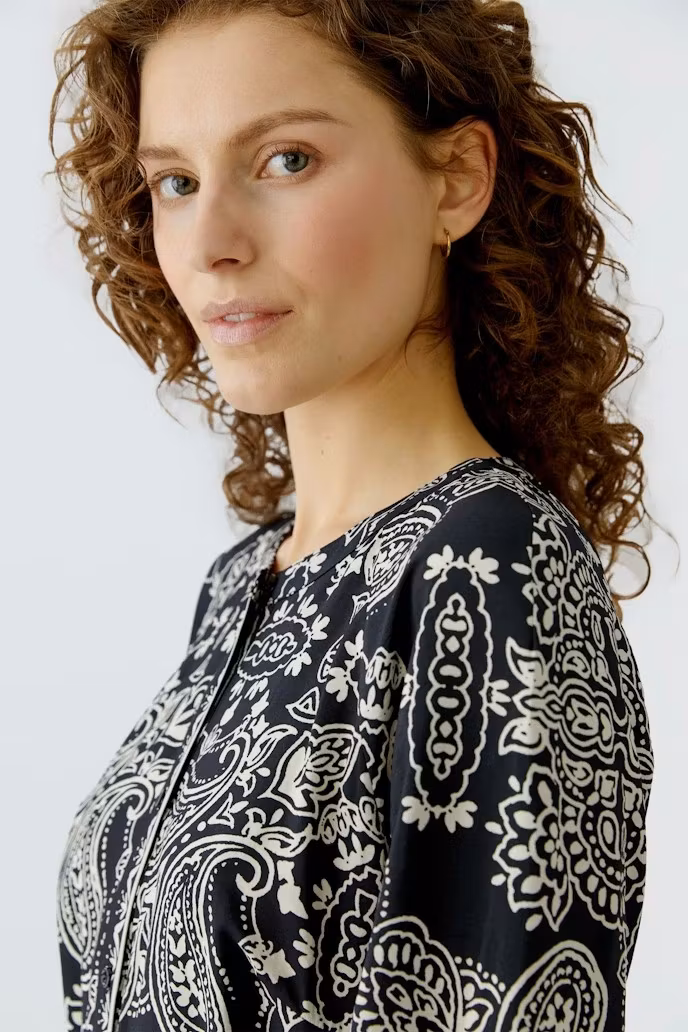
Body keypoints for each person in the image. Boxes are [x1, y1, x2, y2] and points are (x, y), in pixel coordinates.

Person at [49, 2, 659, 1030]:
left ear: (455, 179)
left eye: (286, 160)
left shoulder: (490, 563)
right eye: (176, 182)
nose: (210, 243)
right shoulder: (242, 582)